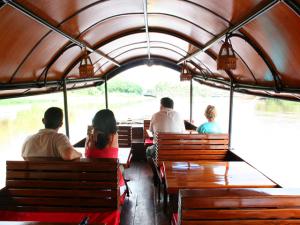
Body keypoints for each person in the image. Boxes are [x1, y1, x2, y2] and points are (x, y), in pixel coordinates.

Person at [84, 109, 126, 196]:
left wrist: (88, 135)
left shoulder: (90, 136)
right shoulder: (114, 136)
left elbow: (86, 154)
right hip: (111, 185)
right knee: (121, 168)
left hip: (91, 183)